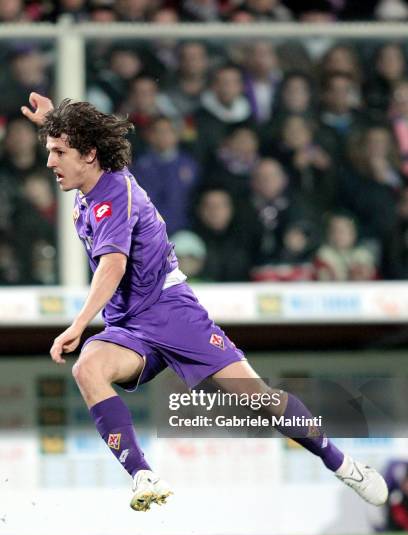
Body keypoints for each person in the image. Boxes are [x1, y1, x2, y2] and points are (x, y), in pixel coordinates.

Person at [21, 91, 388, 513]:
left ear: (87, 155)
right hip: (128, 325)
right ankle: (143, 475)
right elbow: (86, 146)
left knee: (260, 403)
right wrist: (52, 123)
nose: (50, 162)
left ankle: (343, 465)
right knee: (88, 368)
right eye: (50, 151)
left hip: (173, 314)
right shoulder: (94, 179)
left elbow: (113, 266)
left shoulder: (114, 194)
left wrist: (78, 323)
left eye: (58, 152)